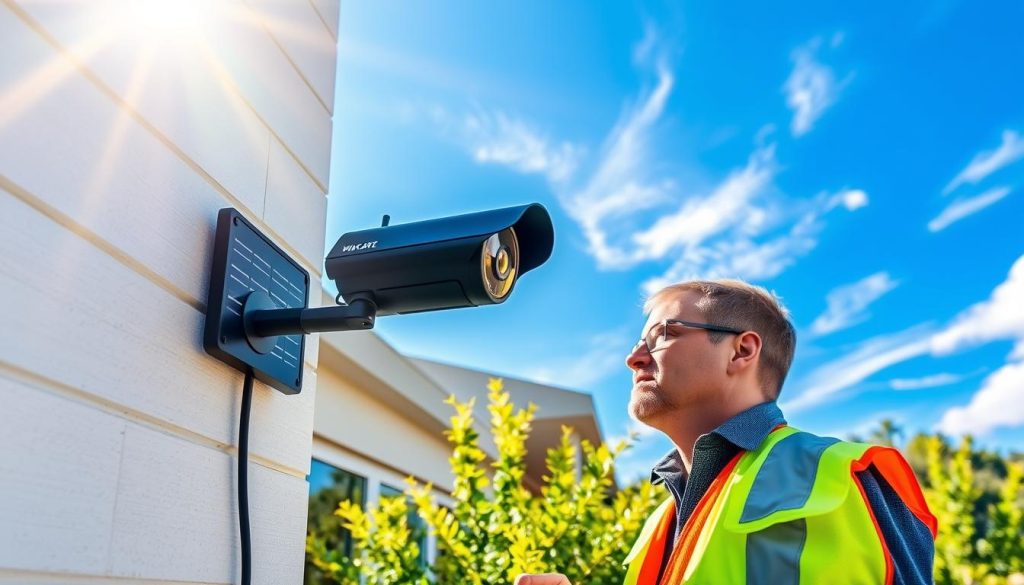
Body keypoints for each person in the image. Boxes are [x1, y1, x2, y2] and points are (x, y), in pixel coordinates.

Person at [515, 280, 937, 585]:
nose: (634, 358)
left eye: (663, 334)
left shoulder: (839, 475)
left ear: (742, 350)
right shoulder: (661, 523)